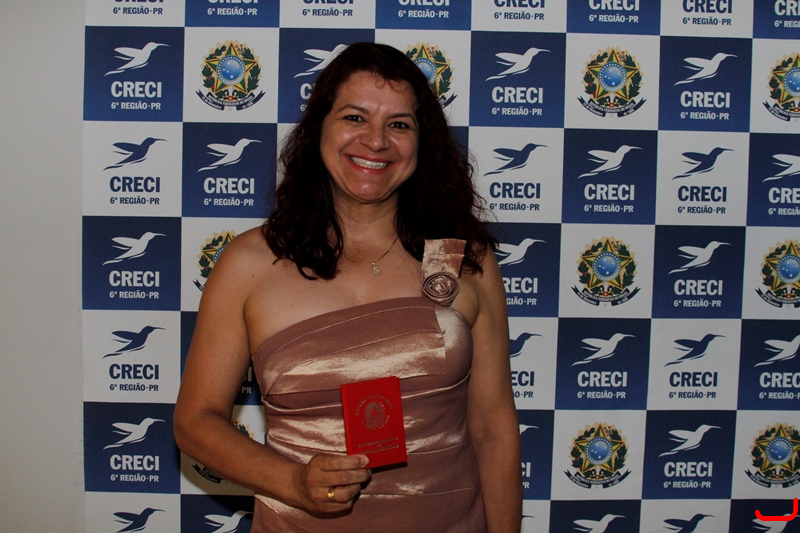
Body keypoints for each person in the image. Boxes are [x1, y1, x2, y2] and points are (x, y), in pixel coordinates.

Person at [174, 42, 521, 532]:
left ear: (423, 142)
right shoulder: (250, 263)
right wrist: (292, 482)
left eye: (399, 124)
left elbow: (493, 429)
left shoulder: (463, 260)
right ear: (319, 127)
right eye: (355, 117)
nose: (376, 141)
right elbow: (195, 422)